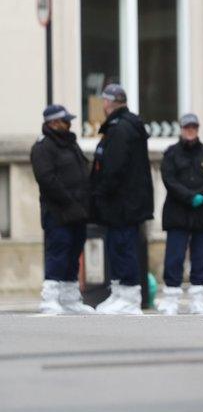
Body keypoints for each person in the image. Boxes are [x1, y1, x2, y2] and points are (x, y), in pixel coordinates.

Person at [90, 84, 154, 315]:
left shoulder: (120, 129)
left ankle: (129, 295)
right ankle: (119, 292)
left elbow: (114, 168)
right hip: (124, 201)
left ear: (107, 103)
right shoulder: (123, 126)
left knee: (123, 246)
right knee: (117, 246)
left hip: (122, 202)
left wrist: (100, 193)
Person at [156, 114, 203, 315]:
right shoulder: (171, 154)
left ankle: (198, 298)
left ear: (198, 128)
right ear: (181, 129)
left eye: (193, 127)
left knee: (201, 257)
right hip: (178, 212)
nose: (190, 130)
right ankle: (171, 298)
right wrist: (189, 196)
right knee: (174, 257)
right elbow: (169, 179)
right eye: (187, 127)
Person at [30, 105, 95, 315]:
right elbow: (47, 179)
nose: (69, 124)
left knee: (73, 253)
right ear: (53, 123)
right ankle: (50, 299)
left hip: (78, 211)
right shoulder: (43, 147)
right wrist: (69, 202)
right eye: (65, 120)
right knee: (58, 252)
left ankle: (70, 299)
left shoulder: (70, 144)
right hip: (58, 211)